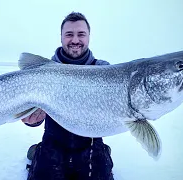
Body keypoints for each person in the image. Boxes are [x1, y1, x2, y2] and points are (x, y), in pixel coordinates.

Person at [22, 12, 114, 180]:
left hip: (92, 147)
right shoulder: (43, 72)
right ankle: (38, 151)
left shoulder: (104, 71)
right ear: (61, 37)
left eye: (81, 34)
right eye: (69, 34)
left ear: (89, 36)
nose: (75, 40)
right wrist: (32, 120)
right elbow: (31, 112)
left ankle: (104, 152)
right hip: (53, 145)